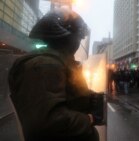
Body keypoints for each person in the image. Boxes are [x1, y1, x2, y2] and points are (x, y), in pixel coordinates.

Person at [8, 8, 103, 141]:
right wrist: (89, 119)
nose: (79, 42)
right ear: (69, 38)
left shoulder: (56, 62)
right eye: (79, 37)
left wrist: (88, 97)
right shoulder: (44, 65)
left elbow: (62, 96)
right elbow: (50, 122)